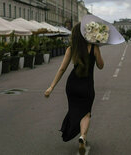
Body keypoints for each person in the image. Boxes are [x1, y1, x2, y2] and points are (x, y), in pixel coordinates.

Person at [44, 22, 104, 154]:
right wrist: (98, 48)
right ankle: (82, 136)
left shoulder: (71, 49)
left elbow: (62, 69)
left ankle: (81, 136)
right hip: (87, 86)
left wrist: (51, 87)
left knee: (75, 110)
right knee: (86, 113)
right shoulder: (94, 48)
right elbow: (101, 66)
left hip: (72, 85)